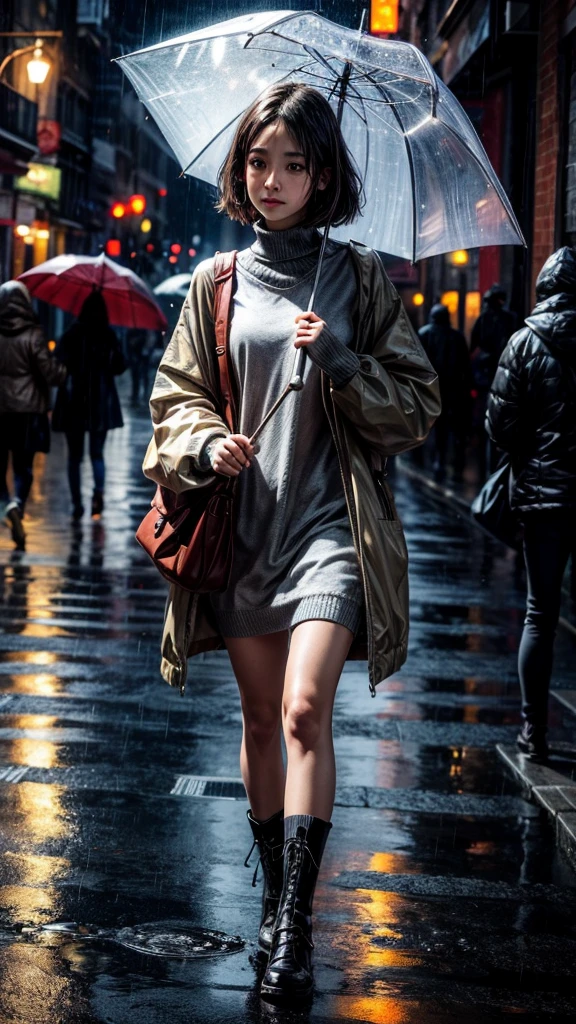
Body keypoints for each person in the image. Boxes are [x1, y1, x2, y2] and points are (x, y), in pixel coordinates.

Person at [143, 83, 440, 1002]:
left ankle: (295, 930)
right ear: (241, 170)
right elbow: (172, 402)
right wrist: (206, 442)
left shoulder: (356, 281)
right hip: (244, 533)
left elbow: (417, 405)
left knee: (309, 710)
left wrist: (343, 363)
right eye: (260, 162)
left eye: (295, 164)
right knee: (261, 721)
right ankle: (272, 898)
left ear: (323, 177)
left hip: (329, 532)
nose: (273, 179)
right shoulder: (215, 283)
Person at [486, 247, 576, 763]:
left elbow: (500, 427)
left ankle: (533, 733)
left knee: (541, 614)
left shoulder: (524, 343)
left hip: (544, 501)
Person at [0, 280, 66, 548]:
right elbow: (49, 373)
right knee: (23, 467)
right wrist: (62, 371)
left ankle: (6, 505)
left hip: (1, 410)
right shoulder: (33, 333)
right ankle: (18, 504)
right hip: (28, 411)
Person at [52, 290, 126, 519]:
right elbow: (120, 366)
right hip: (100, 402)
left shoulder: (71, 334)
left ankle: (77, 504)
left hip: (75, 400)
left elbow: (58, 363)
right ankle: (98, 494)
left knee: (74, 457)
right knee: (97, 454)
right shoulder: (108, 335)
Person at [418, 303, 473, 481]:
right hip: (455, 389)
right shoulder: (457, 336)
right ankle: (456, 465)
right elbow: (466, 365)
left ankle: (438, 461)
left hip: (433, 389)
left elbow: (417, 363)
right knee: (456, 429)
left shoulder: (424, 334)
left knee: (437, 428)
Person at [471, 284, 517, 478]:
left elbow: (474, 343)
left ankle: (487, 465)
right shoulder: (509, 319)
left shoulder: (484, 319)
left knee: (487, 420)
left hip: (487, 375)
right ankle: (494, 465)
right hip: (501, 374)